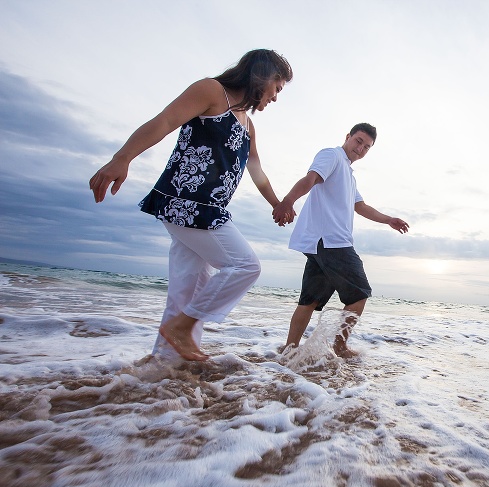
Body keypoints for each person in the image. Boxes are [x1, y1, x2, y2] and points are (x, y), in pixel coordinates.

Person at [89, 49, 294, 362]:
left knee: (186, 292)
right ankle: (182, 329)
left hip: (207, 210)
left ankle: (164, 367)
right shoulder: (212, 91)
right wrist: (122, 158)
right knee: (245, 265)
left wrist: (278, 203)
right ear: (262, 75)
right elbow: (165, 120)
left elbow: (256, 170)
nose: (276, 97)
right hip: (187, 203)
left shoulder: (249, 126)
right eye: (277, 87)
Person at [272, 123, 409, 358]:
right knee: (360, 293)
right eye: (358, 141)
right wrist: (288, 201)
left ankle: (289, 349)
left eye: (367, 147)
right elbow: (311, 178)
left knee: (310, 300)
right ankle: (339, 346)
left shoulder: (349, 175)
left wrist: (388, 220)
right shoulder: (332, 155)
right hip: (332, 241)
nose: (361, 148)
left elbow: (360, 206)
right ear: (348, 137)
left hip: (321, 243)